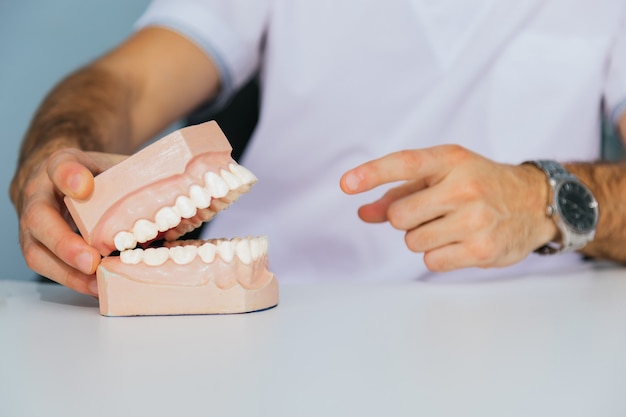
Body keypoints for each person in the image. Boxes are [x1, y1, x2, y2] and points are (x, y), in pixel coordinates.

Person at [9, 0, 626, 296]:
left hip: (532, 331)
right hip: (274, 318)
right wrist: (59, 155)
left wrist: (549, 199)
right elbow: (127, 83)